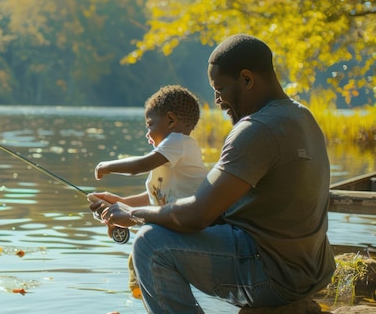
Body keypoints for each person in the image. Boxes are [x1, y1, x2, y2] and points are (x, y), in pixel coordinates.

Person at [89, 34, 335, 313]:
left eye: (220, 89)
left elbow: (196, 214)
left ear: (246, 78)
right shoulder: (301, 116)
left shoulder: (256, 129)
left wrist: (132, 215)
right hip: (309, 269)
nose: (217, 100)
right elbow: (213, 206)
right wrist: (125, 204)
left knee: (150, 243)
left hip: (275, 275)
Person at [90, 84, 208, 299]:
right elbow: (154, 196)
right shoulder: (171, 159)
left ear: (171, 121)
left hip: (190, 228)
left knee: (142, 246)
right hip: (176, 225)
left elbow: (138, 166)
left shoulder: (178, 142)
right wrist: (122, 202)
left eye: (150, 124)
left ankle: (149, 294)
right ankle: (147, 295)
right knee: (139, 251)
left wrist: (107, 166)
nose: (147, 133)